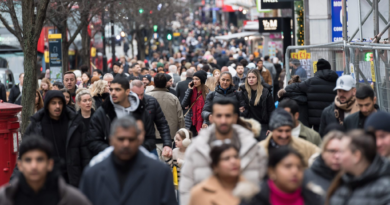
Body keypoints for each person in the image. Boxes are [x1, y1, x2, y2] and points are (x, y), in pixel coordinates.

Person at [179, 98, 267, 205]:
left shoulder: (253, 148)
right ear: (211, 118)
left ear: (235, 118)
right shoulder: (196, 149)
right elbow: (186, 190)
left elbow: (265, 189)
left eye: (228, 115)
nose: (223, 120)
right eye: (219, 116)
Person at [80, 116, 177, 205]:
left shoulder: (160, 173)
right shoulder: (92, 174)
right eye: (121, 139)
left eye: (131, 139)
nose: (126, 144)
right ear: (111, 140)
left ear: (139, 141)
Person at [0, 137, 91, 205]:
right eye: (28, 160)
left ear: (50, 164)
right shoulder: (4, 198)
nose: (34, 166)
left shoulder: (74, 200)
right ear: (19, 165)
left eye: (39, 159)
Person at [23, 90, 87, 187]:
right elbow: (24, 155)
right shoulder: (36, 125)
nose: (57, 106)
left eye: (60, 103)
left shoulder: (75, 123)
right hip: (47, 180)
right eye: (53, 103)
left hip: (72, 178)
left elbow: (85, 153)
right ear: (47, 105)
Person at [88, 77, 155, 156]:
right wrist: (113, 151)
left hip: (137, 160)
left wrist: (136, 150)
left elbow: (150, 138)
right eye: (111, 89)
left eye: (117, 89)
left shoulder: (141, 110)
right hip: (111, 161)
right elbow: (93, 141)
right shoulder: (103, 112)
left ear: (127, 91)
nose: (113, 93)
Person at [327, 130, 390, 205]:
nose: (337, 156)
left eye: (342, 151)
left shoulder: (385, 190)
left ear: (357, 156)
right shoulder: (343, 183)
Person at [247, 147, 321, 205]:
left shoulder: (314, 199)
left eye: (299, 167)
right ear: (271, 171)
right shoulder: (252, 199)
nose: (295, 172)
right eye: (288, 166)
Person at [188, 143, 257, 205]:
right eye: (226, 158)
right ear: (215, 166)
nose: (233, 161)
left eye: (236, 157)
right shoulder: (199, 194)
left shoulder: (254, 190)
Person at [284, 59, 339, 132]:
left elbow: (289, 88)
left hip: (315, 121)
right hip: (333, 118)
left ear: (317, 69)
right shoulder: (337, 81)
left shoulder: (311, 82)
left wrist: (303, 97)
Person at [130, 80, 172, 155]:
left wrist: (167, 144)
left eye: (141, 94)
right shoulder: (123, 103)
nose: (139, 98)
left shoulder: (151, 101)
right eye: (136, 95)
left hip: (149, 146)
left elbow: (162, 124)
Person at [148, 74, 184, 158]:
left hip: (152, 135)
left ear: (154, 83)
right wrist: (182, 134)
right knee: (169, 163)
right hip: (170, 135)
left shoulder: (148, 97)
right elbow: (180, 118)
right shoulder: (173, 98)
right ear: (165, 83)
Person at [303, 131, 343, 197]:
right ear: (323, 153)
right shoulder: (304, 178)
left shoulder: (354, 178)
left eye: (342, 151)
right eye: (332, 151)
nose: (337, 156)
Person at [240, 69, 275, 140]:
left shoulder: (265, 92)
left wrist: (271, 127)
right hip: (248, 125)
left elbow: (271, 111)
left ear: (258, 79)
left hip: (263, 125)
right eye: (249, 77)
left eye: (253, 77)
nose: (251, 79)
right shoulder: (243, 91)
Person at [181, 70, 209, 135]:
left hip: (202, 122)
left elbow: (208, 109)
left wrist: (206, 122)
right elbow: (183, 104)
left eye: (197, 79)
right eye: (193, 79)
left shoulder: (207, 93)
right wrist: (189, 90)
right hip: (191, 121)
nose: (194, 81)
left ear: (202, 80)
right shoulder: (191, 91)